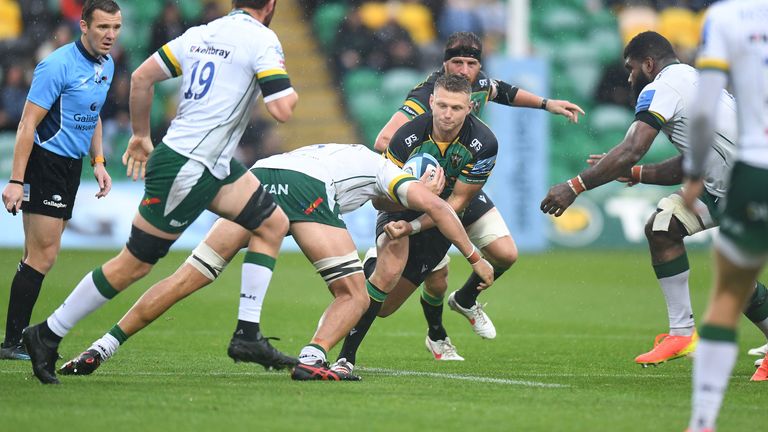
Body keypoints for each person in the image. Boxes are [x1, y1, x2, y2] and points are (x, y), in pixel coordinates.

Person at [21, 0, 298, 384]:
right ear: (269, 6)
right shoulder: (263, 40)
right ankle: (46, 333)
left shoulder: (202, 33)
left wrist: (139, 134)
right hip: (189, 165)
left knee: (272, 223)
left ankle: (247, 335)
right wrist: (287, 87)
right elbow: (282, 109)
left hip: (210, 163)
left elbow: (141, 78)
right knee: (134, 263)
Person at [57, 143, 492, 381]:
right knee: (355, 293)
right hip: (305, 188)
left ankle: (103, 346)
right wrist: (475, 258)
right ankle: (312, 358)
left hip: (261, 175)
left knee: (190, 275)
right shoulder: (391, 173)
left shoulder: (354, 157)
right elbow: (439, 210)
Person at [540, 31, 768, 370]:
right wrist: (637, 174)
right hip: (727, 187)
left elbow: (632, 148)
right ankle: (681, 333)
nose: (629, 77)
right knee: (663, 227)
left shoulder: (661, 88)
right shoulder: (693, 79)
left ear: (649, 63)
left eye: (632, 68)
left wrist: (573, 186)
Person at [369, 31, 584, 359]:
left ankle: (466, 300)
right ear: (445, 65)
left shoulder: (478, 84)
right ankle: (436, 334)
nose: (463, 70)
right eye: (457, 62)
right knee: (436, 279)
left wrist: (547, 104)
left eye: (471, 64)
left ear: (478, 66)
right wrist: (419, 173)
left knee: (506, 255)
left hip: (462, 188)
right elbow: (384, 140)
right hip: (430, 190)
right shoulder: (429, 94)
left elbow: (504, 92)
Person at [330, 74, 497, 375]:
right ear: (431, 102)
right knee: (390, 270)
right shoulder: (405, 137)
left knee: (385, 308)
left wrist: (418, 223)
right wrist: (412, 198)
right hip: (399, 210)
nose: (447, 114)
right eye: (442, 105)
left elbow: (455, 206)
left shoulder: (483, 144)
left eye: (456, 108)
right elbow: (379, 200)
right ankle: (345, 359)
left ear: (470, 107)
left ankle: (373, 269)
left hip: (440, 219)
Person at [0, 0, 121, 361]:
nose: (110, 35)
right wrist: (16, 181)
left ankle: (12, 339)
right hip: (44, 163)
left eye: (115, 28)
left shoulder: (107, 65)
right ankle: (12, 342)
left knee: (35, 254)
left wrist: (98, 160)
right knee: (44, 255)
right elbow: (27, 125)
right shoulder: (56, 65)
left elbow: (93, 115)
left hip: (70, 168)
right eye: (102, 28)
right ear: (83, 25)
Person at [681, 1, 768, 430]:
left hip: (756, 169)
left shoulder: (727, 16)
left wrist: (695, 172)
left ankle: (702, 421)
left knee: (729, 295)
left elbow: (703, 108)